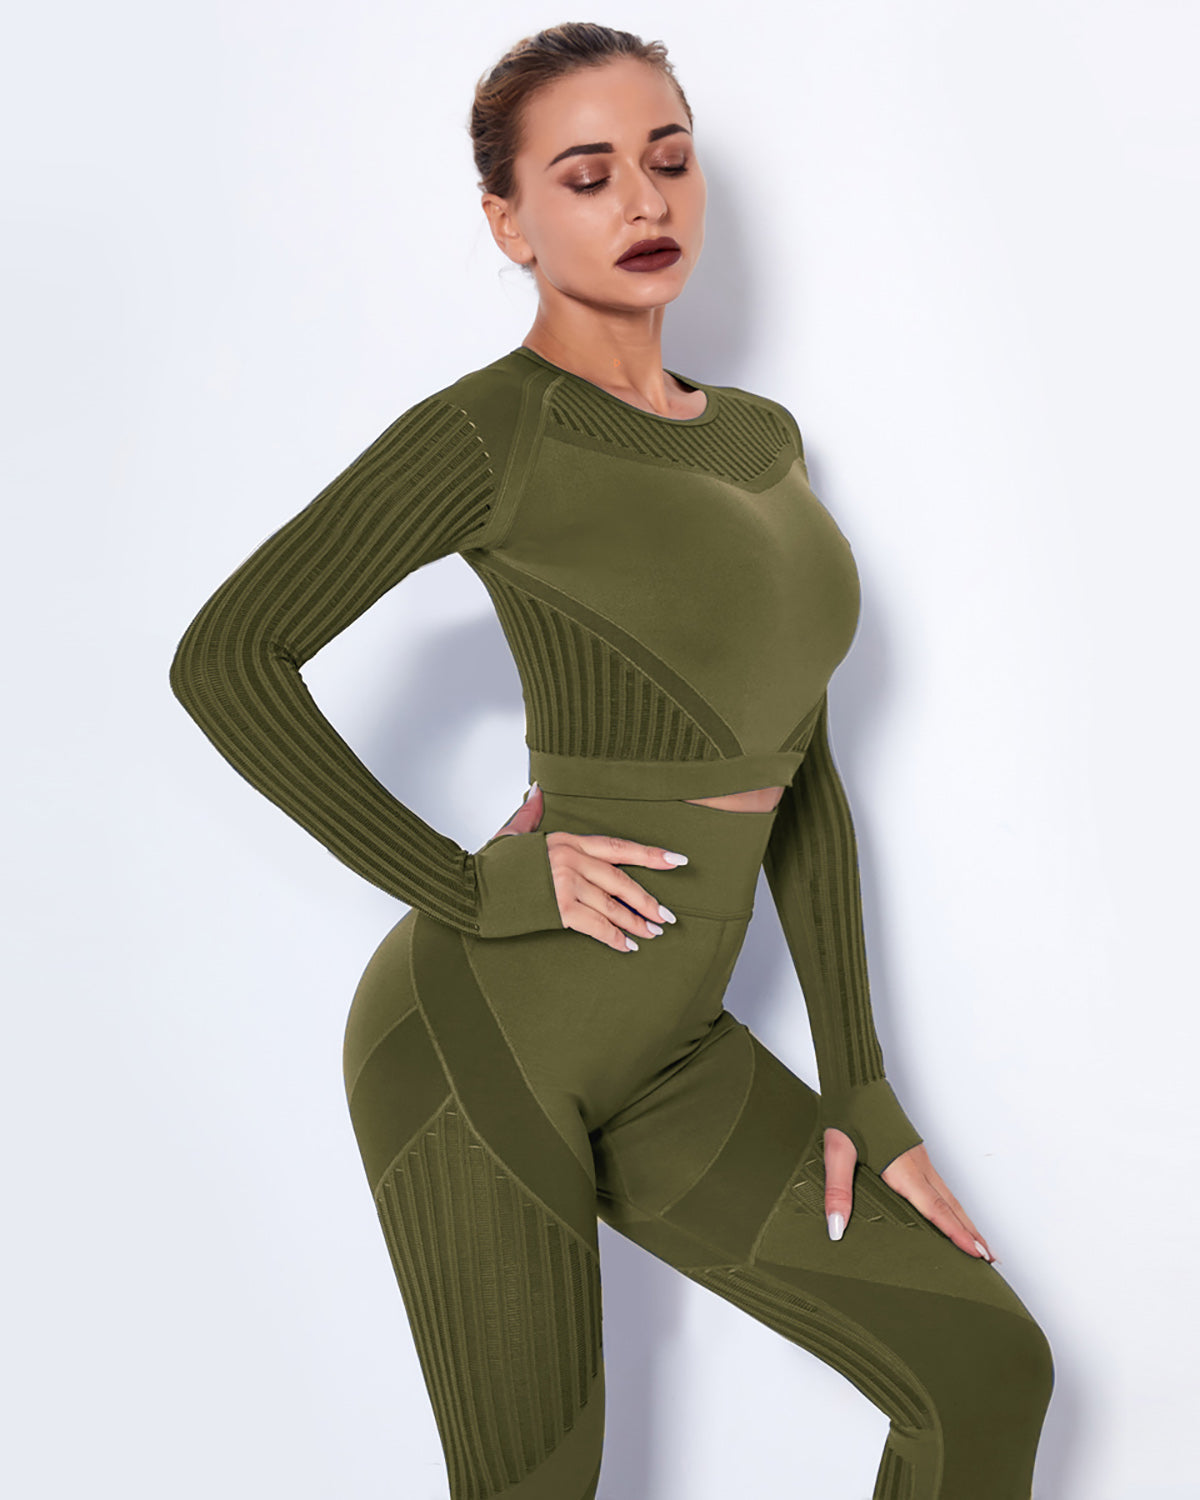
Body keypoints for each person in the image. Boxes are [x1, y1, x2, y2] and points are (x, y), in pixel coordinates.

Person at [169, 21, 1054, 1500]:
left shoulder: (765, 442)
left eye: (669, 160)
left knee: (983, 1370)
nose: (644, 201)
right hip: (486, 1034)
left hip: (671, 1048)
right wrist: (478, 887)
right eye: (586, 177)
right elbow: (227, 658)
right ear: (509, 222)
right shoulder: (487, 433)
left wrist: (859, 1083)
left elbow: (803, 780)